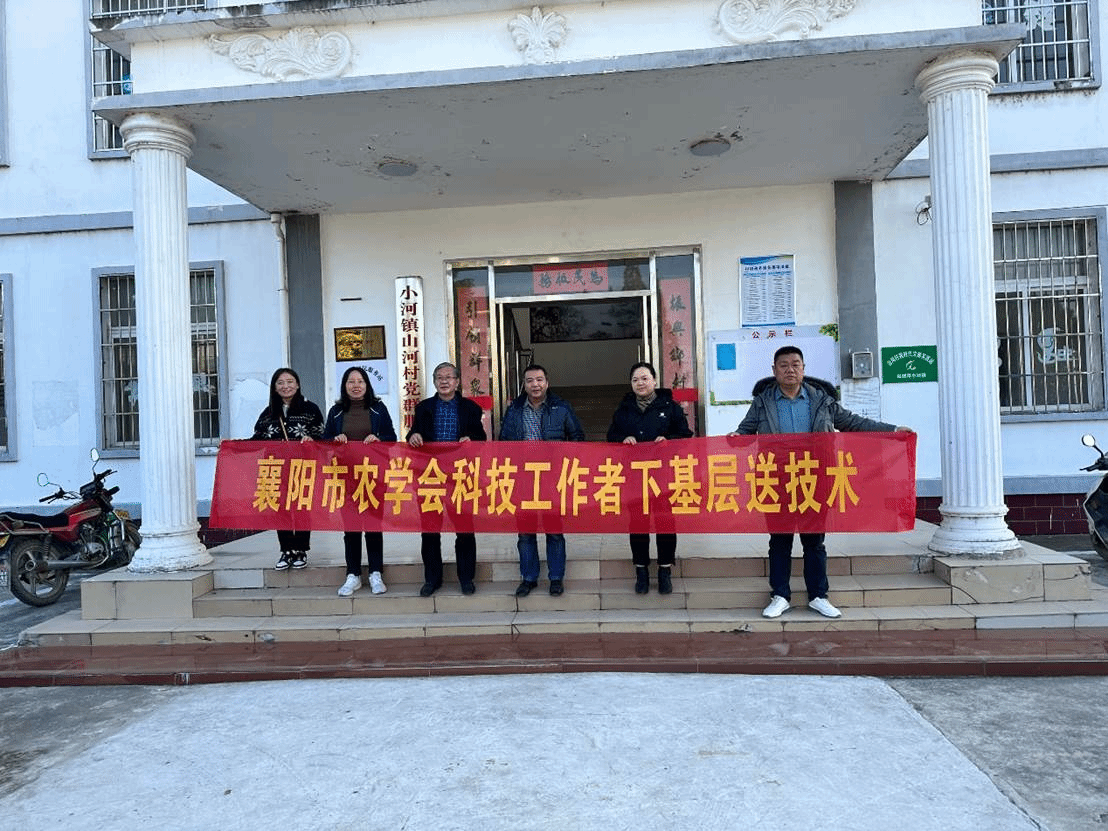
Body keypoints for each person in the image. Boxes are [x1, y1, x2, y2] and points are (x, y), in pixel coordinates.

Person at [731, 345, 913, 619]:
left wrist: (892, 431)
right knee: (779, 541)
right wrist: (735, 437)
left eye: (795, 364)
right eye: (783, 365)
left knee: (814, 542)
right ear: (774, 370)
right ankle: (780, 596)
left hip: (813, 480)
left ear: (803, 369)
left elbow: (852, 423)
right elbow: (745, 431)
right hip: (776, 481)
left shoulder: (822, 401)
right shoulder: (762, 402)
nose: (790, 370)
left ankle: (818, 596)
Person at [498, 363, 586, 597]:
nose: (535, 385)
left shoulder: (561, 407)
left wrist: (564, 461)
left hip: (551, 477)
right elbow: (504, 441)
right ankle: (529, 578)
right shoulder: (514, 409)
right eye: (530, 381)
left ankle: (556, 578)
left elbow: (577, 437)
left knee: (554, 529)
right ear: (524, 384)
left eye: (539, 380)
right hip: (523, 477)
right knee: (525, 532)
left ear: (547, 382)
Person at [606, 361, 693, 595]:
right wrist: (623, 439)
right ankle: (641, 571)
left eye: (645, 378)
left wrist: (668, 440)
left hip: (663, 476)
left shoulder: (670, 407)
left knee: (665, 522)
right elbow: (611, 436)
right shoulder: (624, 409)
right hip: (634, 476)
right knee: (638, 524)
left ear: (654, 381)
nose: (640, 383)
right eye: (635, 380)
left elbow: (685, 436)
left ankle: (665, 570)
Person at [407, 362, 487, 597]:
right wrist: (414, 435)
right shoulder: (423, 408)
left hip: (460, 475)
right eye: (439, 377)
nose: (444, 381)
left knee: (464, 529)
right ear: (434, 382)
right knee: (430, 530)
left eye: (449, 377)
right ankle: (432, 579)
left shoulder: (470, 408)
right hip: (430, 475)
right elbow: (413, 433)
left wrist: (471, 440)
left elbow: (481, 438)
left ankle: (466, 578)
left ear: (457, 381)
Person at [322, 366, 398, 597]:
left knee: (373, 527)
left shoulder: (378, 408)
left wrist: (379, 438)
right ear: (344, 386)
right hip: (346, 477)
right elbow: (325, 440)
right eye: (351, 381)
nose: (356, 385)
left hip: (373, 477)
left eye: (360, 381)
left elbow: (392, 437)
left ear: (367, 385)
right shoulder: (336, 411)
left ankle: (376, 573)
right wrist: (335, 439)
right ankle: (353, 574)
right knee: (351, 528)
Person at [251, 367, 325, 571]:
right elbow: (256, 439)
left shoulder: (310, 409)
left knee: (301, 507)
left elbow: (322, 436)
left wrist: (312, 439)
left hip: (302, 466)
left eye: (290, 382)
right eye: (281, 383)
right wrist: (231, 446)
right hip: (275, 467)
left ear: (298, 384)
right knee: (280, 509)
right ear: (275, 388)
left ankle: (300, 550)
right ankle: (286, 550)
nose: (286, 386)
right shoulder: (268, 413)